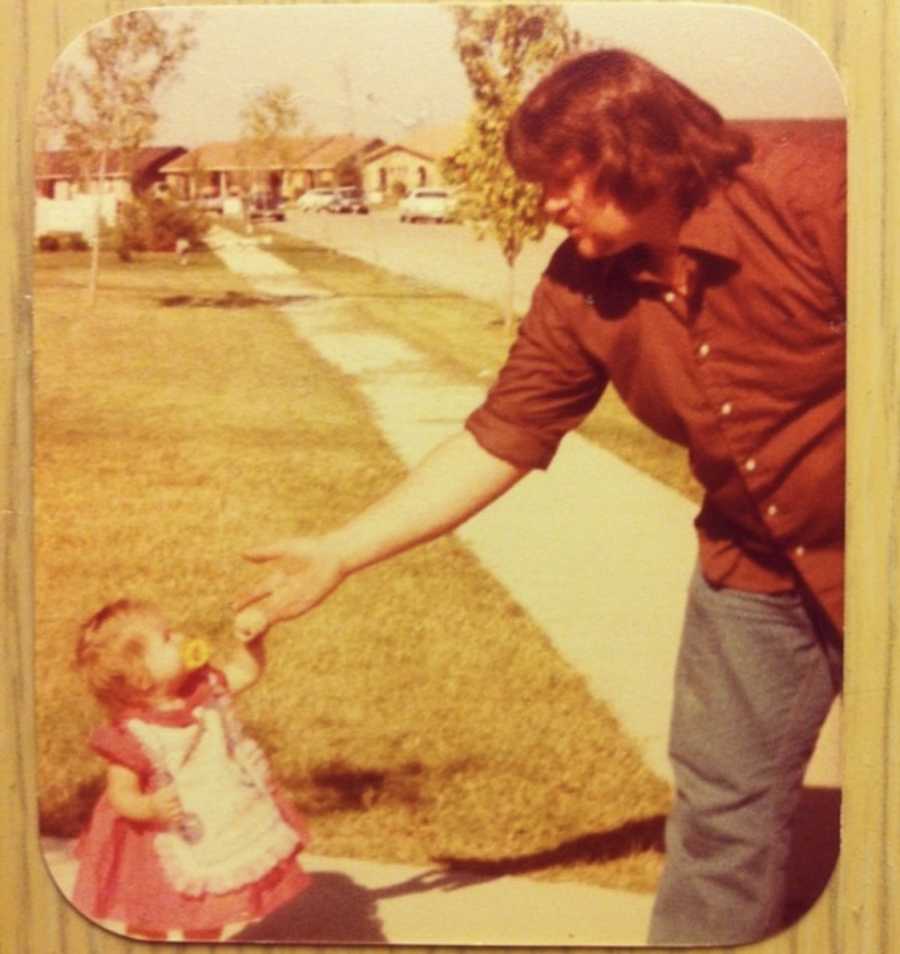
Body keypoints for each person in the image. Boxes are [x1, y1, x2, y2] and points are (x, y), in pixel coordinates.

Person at [234, 48, 845, 945]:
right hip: (754, 571)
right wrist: (340, 551)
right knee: (720, 820)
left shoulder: (820, 197)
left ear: (641, 153)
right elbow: (502, 436)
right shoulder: (577, 284)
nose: (547, 204)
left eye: (563, 180)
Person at [71, 599, 310, 942]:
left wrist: (251, 644)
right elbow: (120, 794)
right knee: (148, 915)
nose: (181, 637)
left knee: (207, 909)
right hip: (157, 841)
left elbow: (246, 672)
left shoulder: (204, 686)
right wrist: (149, 807)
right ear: (141, 677)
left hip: (216, 816)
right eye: (167, 638)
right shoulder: (134, 734)